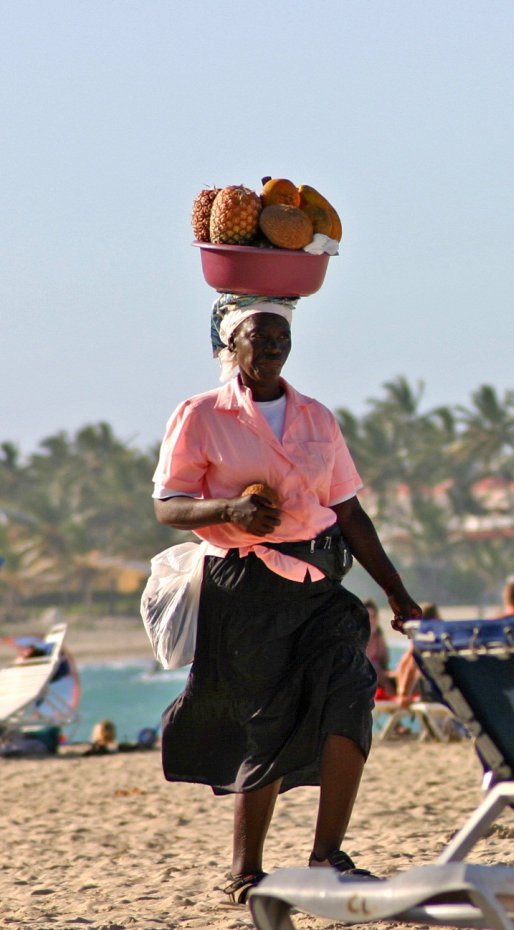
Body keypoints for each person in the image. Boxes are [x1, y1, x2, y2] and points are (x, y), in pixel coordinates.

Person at [152, 293, 422, 904]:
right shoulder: (201, 415)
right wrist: (228, 510)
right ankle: (245, 870)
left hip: (321, 585)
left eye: (281, 337)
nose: (273, 346)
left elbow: (348, 510)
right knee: (265, 719)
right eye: (260, 336)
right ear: (232, 344)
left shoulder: (317, 418)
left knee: (352, 689)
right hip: (245, 589)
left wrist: (398, 594)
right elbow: (167, 505)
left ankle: (328, 856)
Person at [394, 602, 441, 705]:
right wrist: (403, 693)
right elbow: (407, 665)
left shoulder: (421, 640)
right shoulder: (432, 638)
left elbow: (405, 666)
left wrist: (403, 692)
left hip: (431, 689)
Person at [364, 598, 395, 698]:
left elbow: (384, 662)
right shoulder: (357, 638)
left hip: (378, 682)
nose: (371, 621)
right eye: (368, 617)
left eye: (373, 617)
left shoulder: (378, 636)